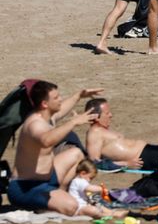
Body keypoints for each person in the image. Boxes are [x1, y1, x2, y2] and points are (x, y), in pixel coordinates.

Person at [6, 81, 103, 215]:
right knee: (71, 206)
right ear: (45, 104)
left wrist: (78, 95)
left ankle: (61, 193)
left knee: (76, 153)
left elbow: (62, 109)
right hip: (25, 188)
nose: (60, 99)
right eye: (56, 98)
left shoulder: (47, 117)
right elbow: (46, 140)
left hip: (46, 180)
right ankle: (52, 203)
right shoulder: (35, 124)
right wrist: (73, 122)